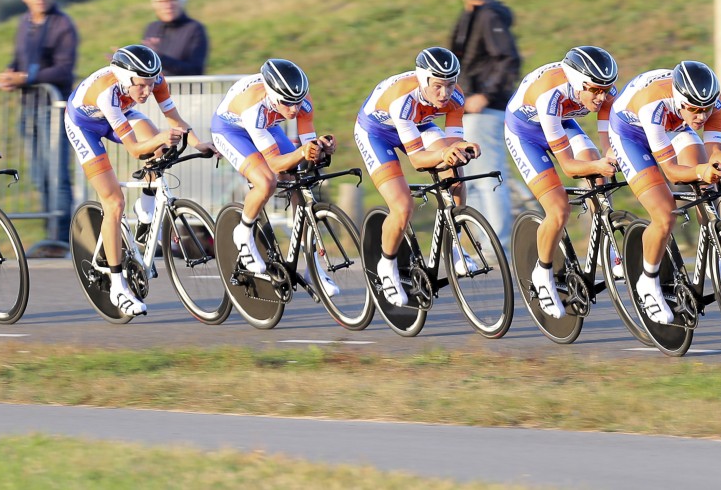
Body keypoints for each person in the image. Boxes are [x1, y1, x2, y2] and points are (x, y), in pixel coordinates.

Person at [64, 45, 217, 317]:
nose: (147, 91)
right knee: (113, 202)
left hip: (119, 115)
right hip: (85, 124)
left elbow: (174, 118)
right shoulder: (107, 93)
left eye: (151, 84)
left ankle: (145, 210)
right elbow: (135, 149)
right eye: (141, 87)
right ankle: (117, 286)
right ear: (125, 80)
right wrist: (160, 138)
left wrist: (197, 143)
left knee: (160, 148)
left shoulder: (153, 79)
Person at [608, 61, 721, 325]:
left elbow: (713, 153)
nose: (701, 116)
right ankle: (647, 283)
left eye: (705, 109)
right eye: (695, 109)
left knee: (708, 183)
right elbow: (672, 172)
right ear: (681, 100)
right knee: (664, 215)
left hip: (674, 126)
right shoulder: (654, 105)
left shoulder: (711, 103)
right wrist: (700, 171)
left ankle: (713, 261)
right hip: (631, 133)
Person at [354, 47, 481, 307]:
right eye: (437, 86)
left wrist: (461, 148)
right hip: (377, 133)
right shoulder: (403, 99)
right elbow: (418, 161)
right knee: (402, 206)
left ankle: (454, 244)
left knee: (455, 173)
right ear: (424, 81)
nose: (445, 93)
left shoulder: (455, 97)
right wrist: (445, 152)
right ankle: (387, 266)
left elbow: (454, 143)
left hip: (419, 124)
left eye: (450, 84)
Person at [504, 46, 620, 319]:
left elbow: (607, 140)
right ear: (578, 84)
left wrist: (608, 157)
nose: (602, 97)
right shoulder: (550, 96)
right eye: (595, 90)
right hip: (526, 134)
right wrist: (596, 165)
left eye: (606, 89)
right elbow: (569, 166)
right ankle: (542, 273)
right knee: (558, 209)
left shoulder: (604, 92)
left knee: (598, 168)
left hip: (562, 121)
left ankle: (605, 244)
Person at [210, 59, 338, 293]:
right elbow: (276, 165)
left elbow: (307, 148)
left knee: (302, 180)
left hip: (267, 126)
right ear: (272, 95)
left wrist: (320, 149)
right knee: (266, 181)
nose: (294, 110)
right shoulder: (254, 107)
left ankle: (313, 267)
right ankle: (244, 232)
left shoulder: (301, 101)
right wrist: (301, 152)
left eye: (298, 103)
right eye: (287, 103)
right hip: (231, 131)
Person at [0, 0, 78, 243]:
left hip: (54, 110)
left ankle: (62, 239)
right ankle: (50, 236)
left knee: (57, 177)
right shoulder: (24, 23)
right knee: (39, 176)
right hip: (28, 108)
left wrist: (26, 78)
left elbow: (64, 69)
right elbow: (20, 57)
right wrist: (10, 73)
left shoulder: (63, 24)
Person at [449, 0, 521, 251]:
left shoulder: (489, 16)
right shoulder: (469, 16)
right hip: (467, 110)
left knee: (488, 176)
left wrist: (486, 95)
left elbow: (508, 59)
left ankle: (497, 246)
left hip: (486, 109)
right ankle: (483, 242)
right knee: (473, 178)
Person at [141, 0, 209, 76]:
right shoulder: (152, 28)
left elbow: (195, 70)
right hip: (156, 91)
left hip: (186, 90)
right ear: (154, 4)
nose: (168, 6)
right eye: (161, 1)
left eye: (172, 0)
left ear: (181, 1)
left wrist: (160, 58)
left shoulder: (194, 29)